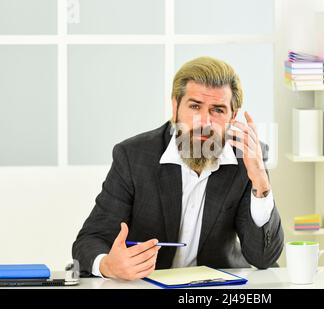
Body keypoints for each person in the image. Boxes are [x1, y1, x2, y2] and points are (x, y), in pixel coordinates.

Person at [72, 56, 284, 280]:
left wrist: (260, 180)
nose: (205, 121)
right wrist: (107, 265)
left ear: (233, 116)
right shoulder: (133, 156)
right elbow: (90, 239)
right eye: (194, 106)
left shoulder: (248, 158)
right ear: (175, 107)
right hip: (147, 285)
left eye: (218, 110)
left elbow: (263, 258)